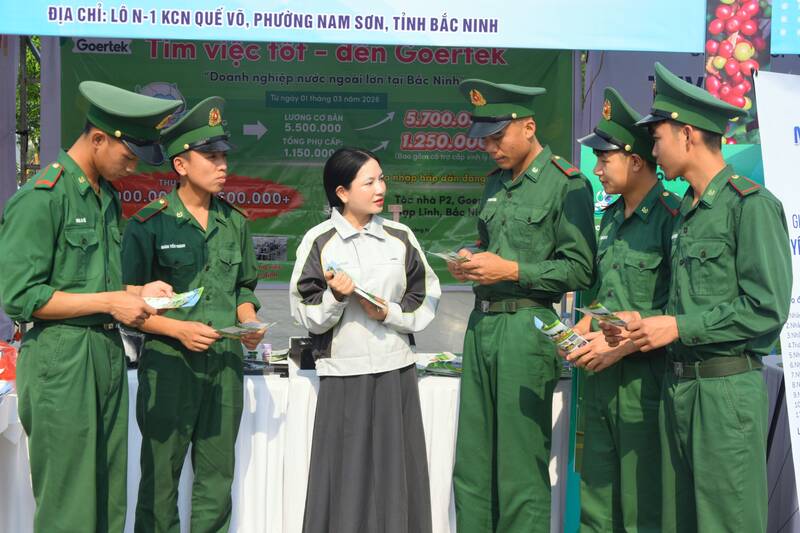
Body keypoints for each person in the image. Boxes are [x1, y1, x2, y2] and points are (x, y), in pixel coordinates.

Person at [603, 62, 793, 532]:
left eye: (659, 136)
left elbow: (766, 309)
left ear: (688, 135)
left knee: (726, 522)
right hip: (680, 389)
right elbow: (689, 304)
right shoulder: (687, 211)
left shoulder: (751, 206)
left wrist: (677, 327)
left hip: (725, 394)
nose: (652, 148)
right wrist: (646, 320)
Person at [0, 80, 180, 532]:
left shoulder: (104, 196)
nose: (133, 165)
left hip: (103, 354)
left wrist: (137, 293)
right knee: (69, 506)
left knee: (107, 496)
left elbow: (91, 281)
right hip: (61, 360)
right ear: (98, 138)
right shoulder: (43, 197)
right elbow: (20, 296)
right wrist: (111, 302)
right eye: (128, 153)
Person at [449, 79, 596, 532]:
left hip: (527, 329)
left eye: (498, 137)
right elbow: (493, 245)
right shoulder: (495, 184)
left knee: (518, 469)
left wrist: (510, 271)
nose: (490, 148)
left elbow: (580, 270)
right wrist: (472, 262)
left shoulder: (567, 184)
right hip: (482, 326)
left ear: (528, 126)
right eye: (485, 140)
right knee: (472, 465)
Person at [121, 97, 263, 533]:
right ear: (181, 165)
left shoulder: (234, 223)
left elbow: (244, 287)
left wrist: (249, 321)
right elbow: (126, 304)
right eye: (211, 157)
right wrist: (177, 330)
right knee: (161, 478)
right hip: (169, 365)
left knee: (217, 479)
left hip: (224, 363)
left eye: (224, 157)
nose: (222, 165)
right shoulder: (150, 224)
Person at [290, 147, 441, 533]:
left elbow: (425, 296)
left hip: (395, 368)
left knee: (397, 474)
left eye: (381, 179)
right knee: (344, 475)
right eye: (369, 181)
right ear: (341, 192)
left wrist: (388, 312)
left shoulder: (399, 236)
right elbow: (304, 309)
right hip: (344, 371)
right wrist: (336, 298)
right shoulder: (319, 240)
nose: (380, 188)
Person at [569, 87, 680, 532]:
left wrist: (622, 344)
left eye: (604, 160)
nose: (596, 170)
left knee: (641, 505)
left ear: (635, 160)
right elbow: (605, 294)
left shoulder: (673, 217)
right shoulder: (610, 217)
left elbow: (676, 308)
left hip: (644, 380)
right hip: (600, 377)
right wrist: (583, 325)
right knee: (596, 501)